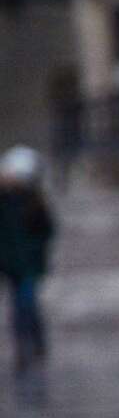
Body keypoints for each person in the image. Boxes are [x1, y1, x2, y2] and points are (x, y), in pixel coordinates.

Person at [0, 146, 54, 371]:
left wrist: (34, 254)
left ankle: (33, 345)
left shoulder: (34, 204)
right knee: (19, 306)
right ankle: (25, 347)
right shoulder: (5, 202)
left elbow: (46, 232)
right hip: (10, 265)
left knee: (26, 305)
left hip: (29, 266)